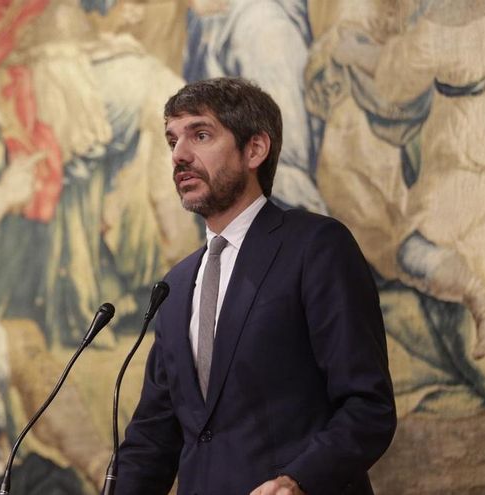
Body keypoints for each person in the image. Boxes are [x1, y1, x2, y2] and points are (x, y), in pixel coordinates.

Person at [116, 77, 397, 494]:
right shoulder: (175, 286)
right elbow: (151, 443)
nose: (179, 155)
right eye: (172, 140)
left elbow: (367, 406)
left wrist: (297, 481)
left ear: (255, 149)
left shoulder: (314, 247)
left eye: (201, 134)